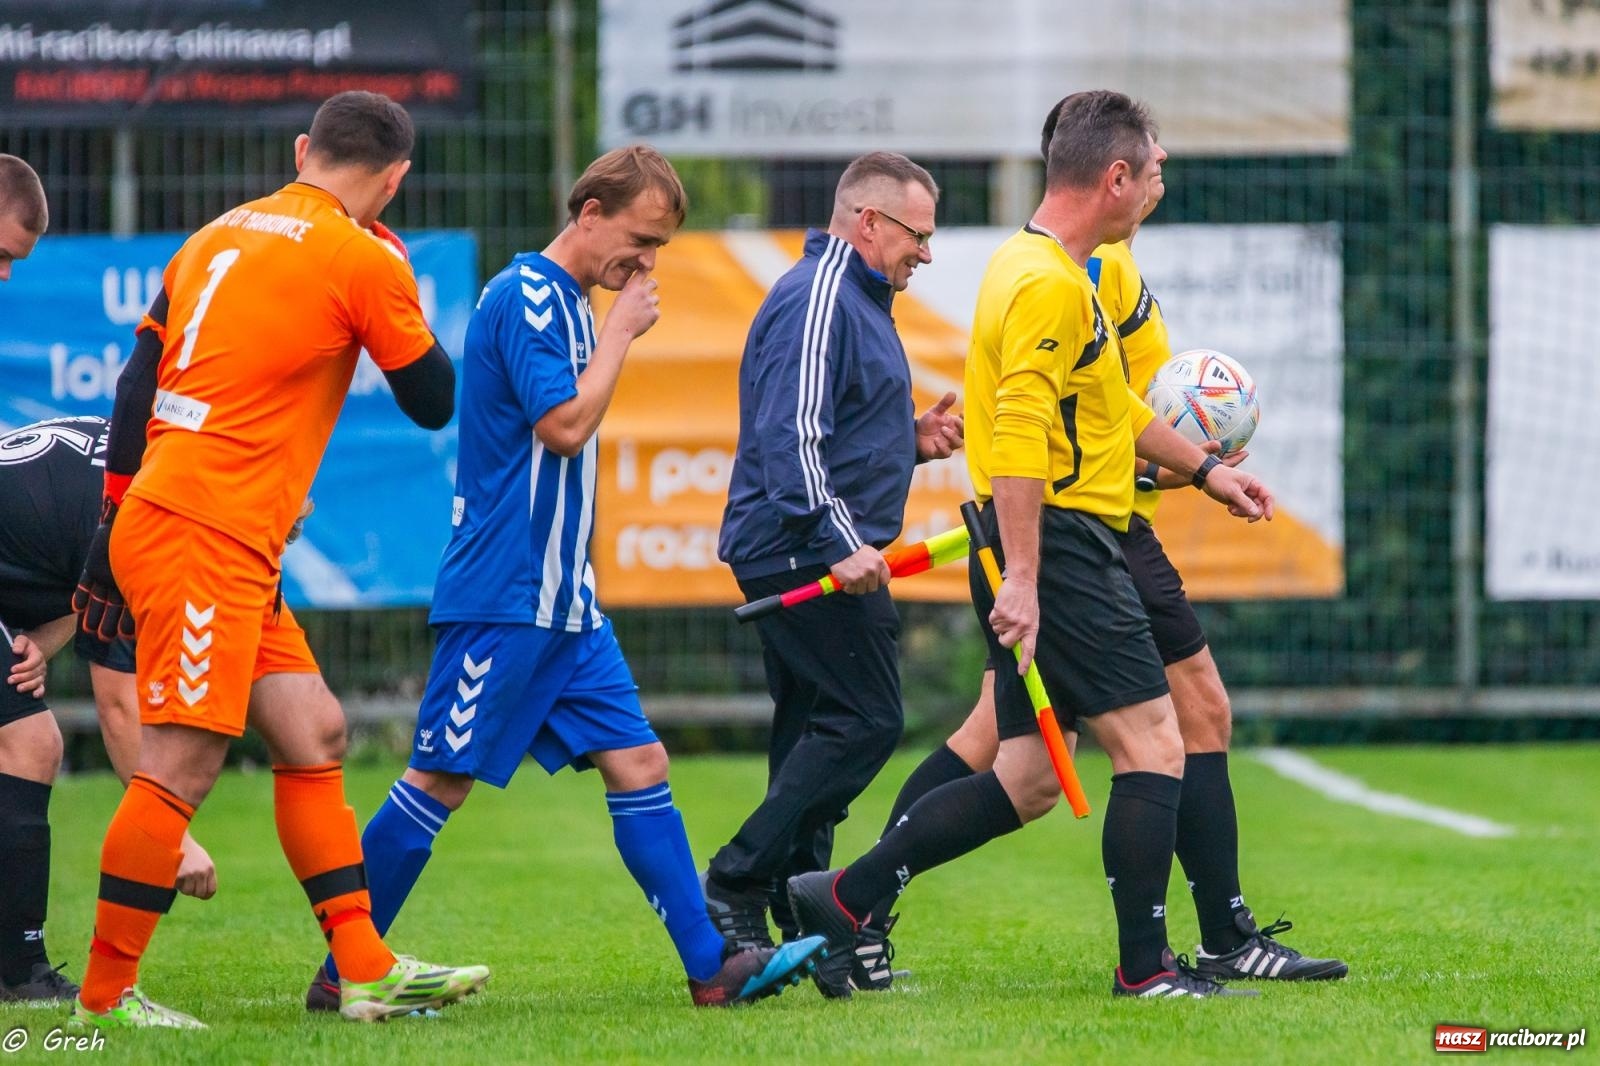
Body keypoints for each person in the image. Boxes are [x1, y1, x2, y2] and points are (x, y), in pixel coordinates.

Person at [303, 145, 826, 1012]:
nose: (646, 263)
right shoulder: (530, 297)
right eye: (640, 240)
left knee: (640, 760)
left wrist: (608, 326)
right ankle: (344, 970)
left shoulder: (573, 304)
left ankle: (712, 970)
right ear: (589, 214)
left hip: (564, 603)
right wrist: (620, 333)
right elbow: (564, 426)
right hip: (505, 595)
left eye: (659, 248)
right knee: (439, 778)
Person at [788, 90, 1276, 999]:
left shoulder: (1045, 266)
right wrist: (1024, 576)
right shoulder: (1051, 282)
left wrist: (1207, 470)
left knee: (1025, 775)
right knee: (1155, 744)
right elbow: (1015, 435)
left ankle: (846, 897)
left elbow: (1115, 409)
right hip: (1060, 542)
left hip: (1048, 539)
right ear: (1115, 178)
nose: (1160, 184)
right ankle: (1146, 970)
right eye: (1153, 170)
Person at [67, 91, 489, 1030]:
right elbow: (432, 400)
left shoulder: (213, 234)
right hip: (206, 532)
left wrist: (108, 531)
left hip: (195, 523)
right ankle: (102, 998)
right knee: (181, 762)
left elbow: (136, 384)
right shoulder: (361, 254)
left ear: (303, 150)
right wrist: (398, 275)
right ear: (394, 180)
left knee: (313, 731)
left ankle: (364, 967)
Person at [703, 151, 963, 997]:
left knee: (812, 733)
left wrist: (909, 441)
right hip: (803, 549)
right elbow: (790, 434)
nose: (926, 252)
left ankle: (797, 917)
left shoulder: (857, 299)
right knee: (867, 719)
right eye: (918, 235)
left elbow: (834, 428)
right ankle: (738, 880)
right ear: (869, 222)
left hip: (807, 542)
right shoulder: (820, 294)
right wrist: (840, 539)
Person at [2, 415, 221, 1004]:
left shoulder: (135, 460)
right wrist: (172, 836)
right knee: (31, 743)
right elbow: (120, 708)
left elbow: (71, 568)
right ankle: (19, 971)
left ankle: (16, 968)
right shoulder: (144, 518)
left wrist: (40, 642)